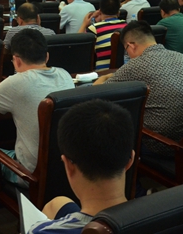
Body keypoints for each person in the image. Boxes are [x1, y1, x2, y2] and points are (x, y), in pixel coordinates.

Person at [29, 100, 135, 234]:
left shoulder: (41, 232)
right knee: (58, 203)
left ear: (68, 166)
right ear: (130, 160)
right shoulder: (158, 217)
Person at [0, 30, 74, 184]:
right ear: (46, 57)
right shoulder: (65, 75)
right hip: (65, 170)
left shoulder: (15, 82)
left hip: (28, 175)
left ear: (16, 60)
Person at [95, 21, 183, 157]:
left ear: (131, 46)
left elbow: (97, 93)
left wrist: (103, 77)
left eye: (126, 50)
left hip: (157, 144)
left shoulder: (135, 66)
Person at [80, 0, 127, 70]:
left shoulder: (94, 28)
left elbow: (79, 46)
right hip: (125, 70)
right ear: (118, 12)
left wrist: (84, 24)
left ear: (100, 11)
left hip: (102, 72)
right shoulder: (128, 26)